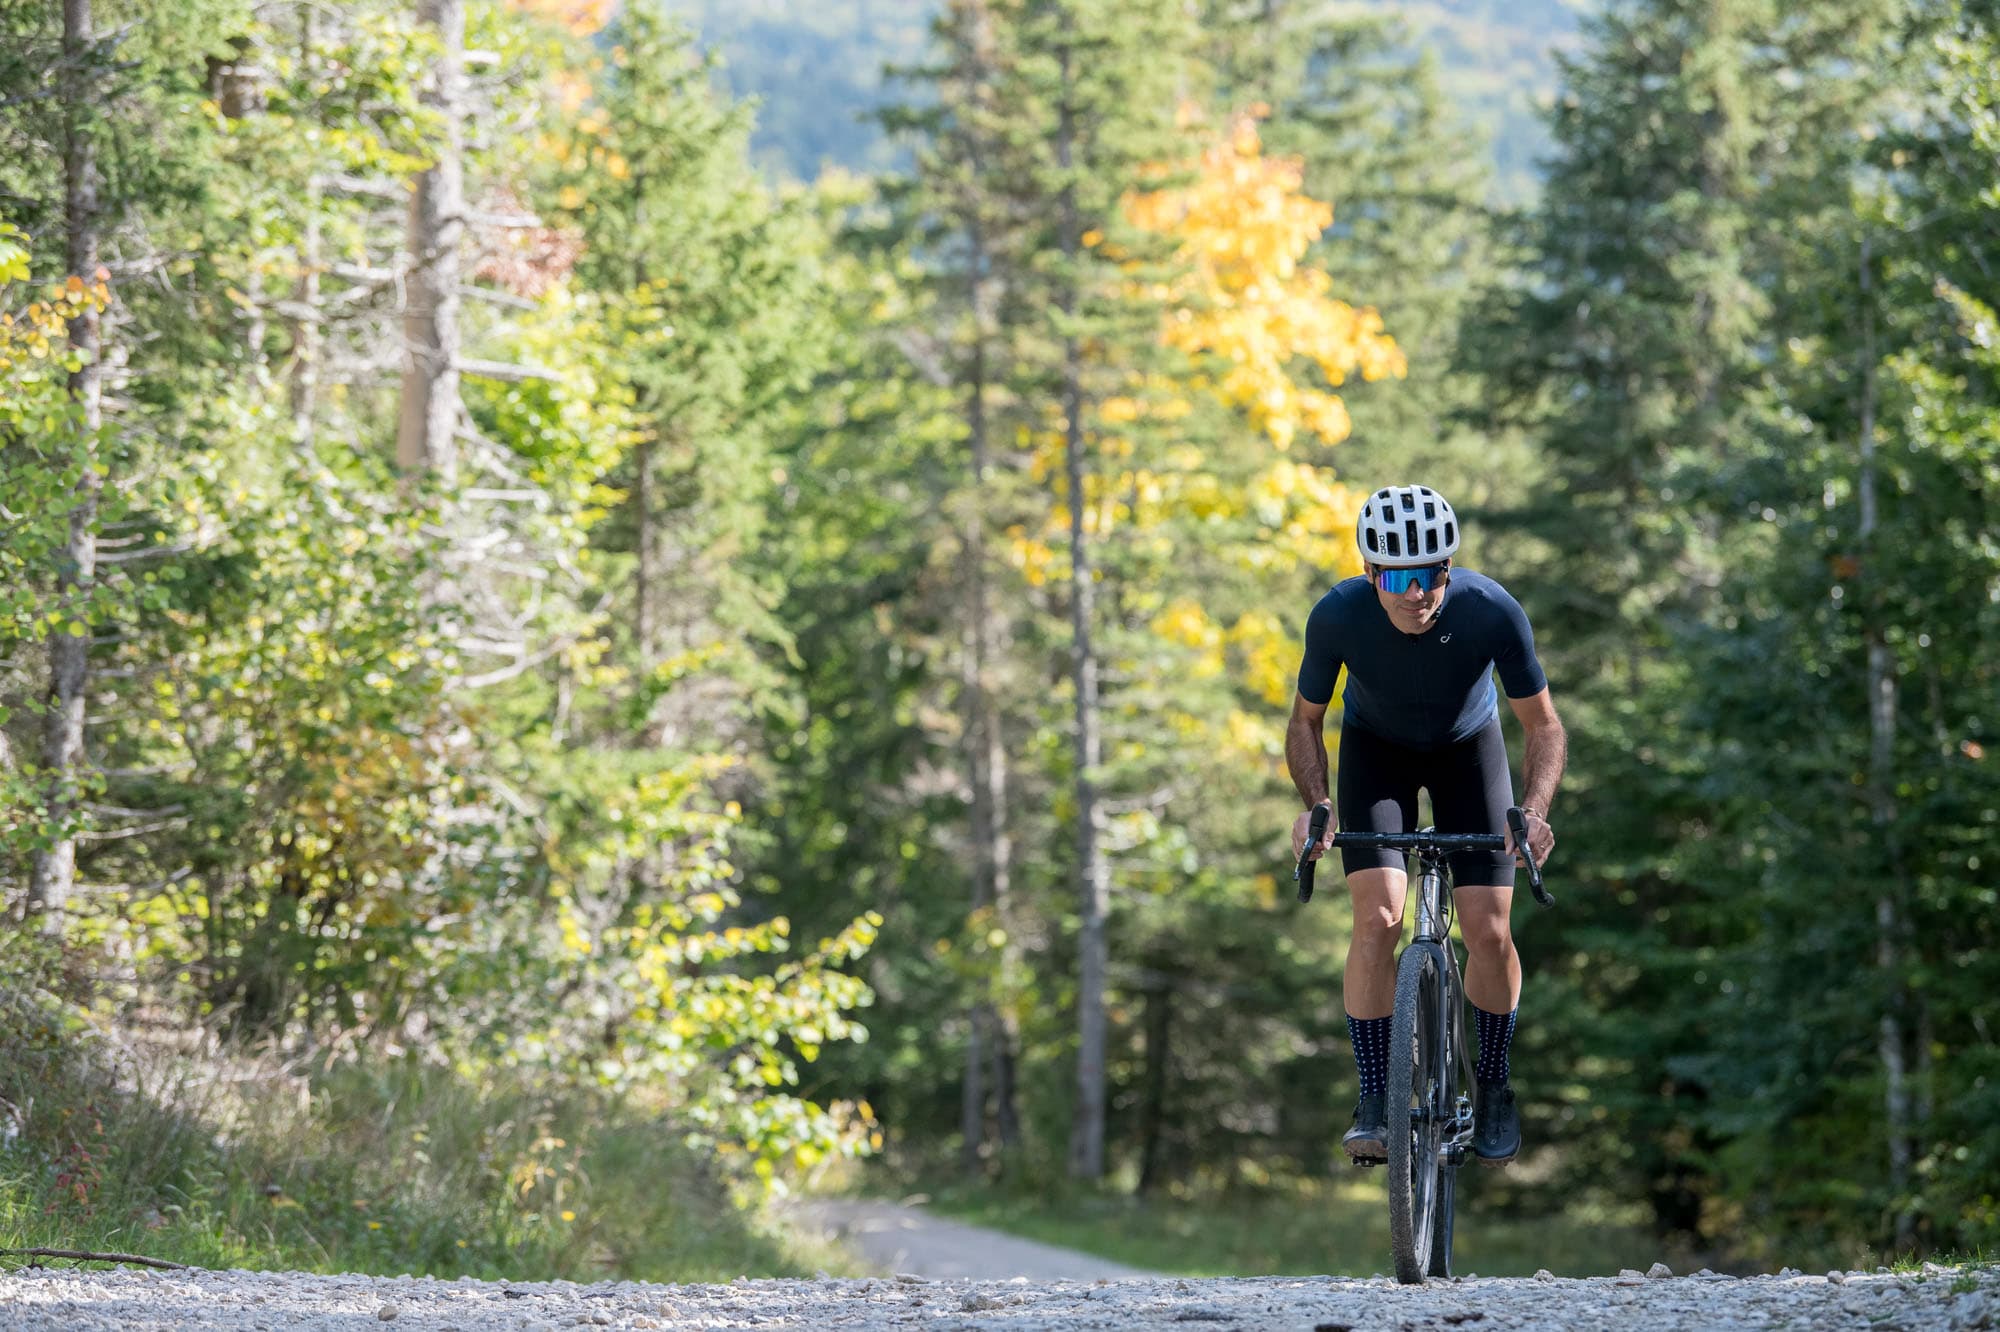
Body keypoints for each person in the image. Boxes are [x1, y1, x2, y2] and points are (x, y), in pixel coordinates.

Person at [1286, 484, 1565, 1166]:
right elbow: (1305, 722)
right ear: (1372, 574)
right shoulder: (1338, 618)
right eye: (1403, 577)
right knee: (1378, 918)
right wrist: (1317, 803)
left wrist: (1534, 814)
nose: (1421, 593)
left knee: (1488, 929)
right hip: (1376, 752)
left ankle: (1493, 1083)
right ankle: (1376, 1096)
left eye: (1435, 571)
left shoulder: (1489, 610)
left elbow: (1544, 726)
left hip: (1468, 753)